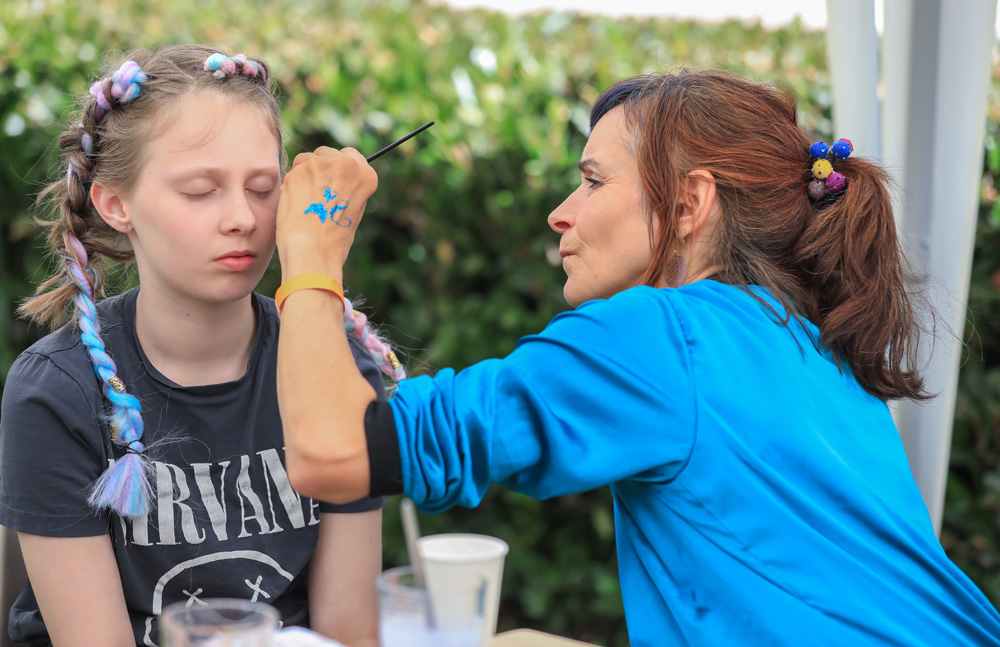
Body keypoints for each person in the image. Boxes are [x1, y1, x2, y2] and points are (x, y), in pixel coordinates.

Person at [272, 69, 1000, 646]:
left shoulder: (661, 334)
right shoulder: (804, 341)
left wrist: (310, 247)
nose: (560, 212)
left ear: (687, 205)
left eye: (592, 181)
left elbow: (334, 452)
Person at [0, 45, 401, 647]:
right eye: (198, 191)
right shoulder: (59, 392)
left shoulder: (335, 367)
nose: (242, 218)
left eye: (263, 188)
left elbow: (347, 631)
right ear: (116, 204)